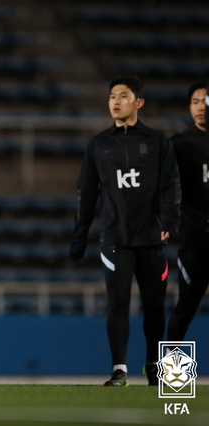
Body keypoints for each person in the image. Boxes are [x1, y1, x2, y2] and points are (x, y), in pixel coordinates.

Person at [69, 76, 181, 386]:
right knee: (117, 304)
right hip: (116, 239)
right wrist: (79, 238)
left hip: (151, 239)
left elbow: (171, 187)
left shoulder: (159, 142)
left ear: (139, 102)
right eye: (112, 97)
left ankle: (154, 365)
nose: (115, 101)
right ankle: (119, 369)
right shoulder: (98, 144)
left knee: (155, 307)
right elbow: (86, 194)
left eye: (123, 95)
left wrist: (170, 224)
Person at [165, 83, 208, 345]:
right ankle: (171, 378)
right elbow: (166, 189)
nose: (201, 107)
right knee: (185, 308)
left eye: (205, 101)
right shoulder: (180, 145)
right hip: (196, 241)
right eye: (195, 101)